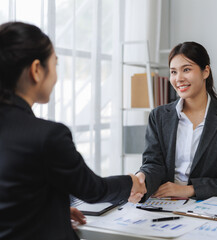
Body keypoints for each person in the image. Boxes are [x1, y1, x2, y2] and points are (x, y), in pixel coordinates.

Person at [0, 21, 146, 239]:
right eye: (55, 65)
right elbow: (93, 190)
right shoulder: (47, 136)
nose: (56, 76)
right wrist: (130, 182)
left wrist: (54, 210)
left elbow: (14, 191)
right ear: (37, 70)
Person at [136, 41, 217, 201]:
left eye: (186, 70)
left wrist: (190, 190)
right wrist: (141, 178)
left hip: (210, 206)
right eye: (173, 72)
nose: (179, 78)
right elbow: (153, 164)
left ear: (205, 72)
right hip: (165, 204)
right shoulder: (158, 116)